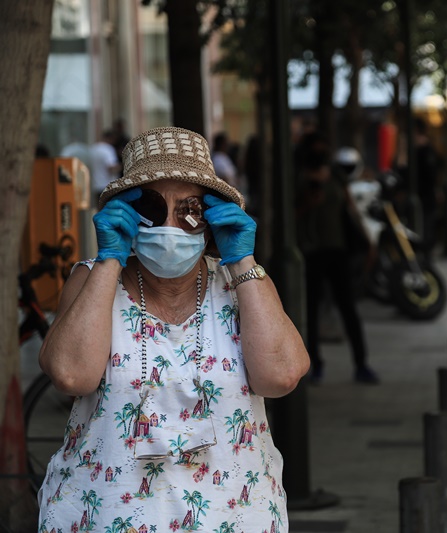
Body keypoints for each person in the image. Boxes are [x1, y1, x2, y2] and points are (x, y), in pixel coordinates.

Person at [37, 126, 309, 532]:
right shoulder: (94, 282)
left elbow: (281, 376)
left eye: (189, 209)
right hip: (105, 516)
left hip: (234, 517)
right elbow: (71, 374)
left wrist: (242, 260)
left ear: (210, 216)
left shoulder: (244, 285)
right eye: (152, 207)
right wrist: (111, 257)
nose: (170, 225)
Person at [295, 131, 379, 385]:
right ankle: (315, 364)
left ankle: (361, 363)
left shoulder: (336, 178)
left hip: (337, 250)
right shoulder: (299, 179)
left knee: (347, 307)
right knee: (311, 310)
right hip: (312, 251)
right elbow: (293, 214)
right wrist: (310, 200)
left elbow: (351, 210)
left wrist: (367, 241)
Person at [414, 118, 442, 253]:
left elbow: (432, 174)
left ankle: (425, 253)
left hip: (425, 196)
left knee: (426, 228)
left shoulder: (426, 151)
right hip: (422, 196)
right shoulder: (424, 149)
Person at [89, 129, 121, 207]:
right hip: (107, 185)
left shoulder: (93, 149)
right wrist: (122, 166)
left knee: (99, 208)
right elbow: (111, 167)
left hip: (95, 185)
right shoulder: (108, 149)